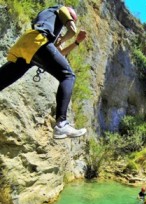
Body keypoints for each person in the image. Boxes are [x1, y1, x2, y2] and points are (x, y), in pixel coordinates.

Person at [0, 5, 87, 139]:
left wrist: (76, 43)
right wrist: (64, 38)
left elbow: (59, 54)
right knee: (68, 76)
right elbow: (72, 30)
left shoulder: (49, 21)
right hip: (37, 41)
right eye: (71, 19)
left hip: (27, 47)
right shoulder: (60, 9)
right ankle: (61, 124)